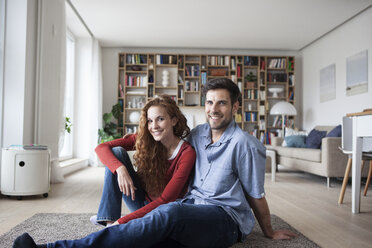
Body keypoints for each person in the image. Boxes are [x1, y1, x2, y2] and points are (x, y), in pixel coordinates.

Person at [14, 78, 295, 248]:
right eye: (209, 103)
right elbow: (158, 138)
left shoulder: (245, 145)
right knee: (148, 234)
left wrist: (267, 230)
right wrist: (124, 161)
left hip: (224, 219)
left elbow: (255, 194)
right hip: (190, 209)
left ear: (235, 107)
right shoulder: (197, 134)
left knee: (166, 214)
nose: (213, 109)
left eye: (221, 103)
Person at [90, 95, 196, 227]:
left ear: (174, 120)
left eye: (160, 119)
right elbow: (101, 148)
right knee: (117, 152)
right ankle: (109, 223)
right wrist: (120, 169)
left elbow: (166, 199)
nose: (154, 126)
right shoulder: (146, 138)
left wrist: (122, 221)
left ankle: (115, 222)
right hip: (139, 201)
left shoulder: (186, 153)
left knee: (131, 222)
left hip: (162, 210)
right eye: (150, 121)